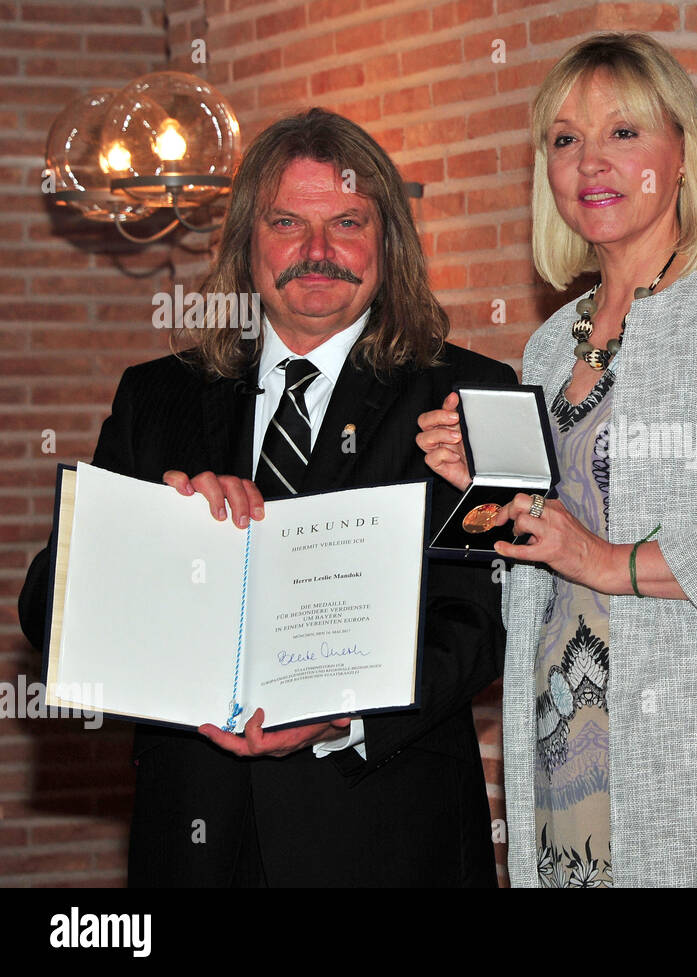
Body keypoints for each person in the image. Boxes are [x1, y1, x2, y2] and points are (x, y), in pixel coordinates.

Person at [18, 108, 515, 887]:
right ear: (248, 242)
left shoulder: (472, 394)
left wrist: (345, 711)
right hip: (194, 845)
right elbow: (49, 603)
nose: (318, 252)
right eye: (287, 221)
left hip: (387, 842)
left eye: (347, 221)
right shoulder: (157, 397)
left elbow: (485, 618)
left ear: (387, 244)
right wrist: (156, 526)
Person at [418, 33, 697, 887]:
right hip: (568, 749)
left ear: (683, 154)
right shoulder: (549, 347)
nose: (592, 160)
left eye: (624, 132)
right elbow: (551, 543)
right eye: (566, 138)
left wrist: (613, 563)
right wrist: (486, 489)